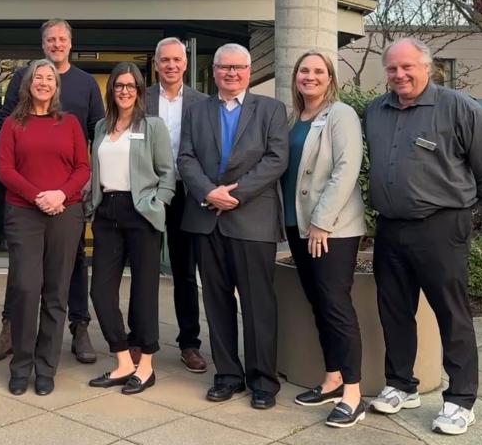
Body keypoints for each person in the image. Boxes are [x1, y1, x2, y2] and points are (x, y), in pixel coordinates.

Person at [365, 38, 482, 435]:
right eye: (392, 69)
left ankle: (461, 400)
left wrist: (462, 210)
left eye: (407, 67)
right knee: (394, 309)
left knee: (451, 313)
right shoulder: (376, 110)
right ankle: (400, 385)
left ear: (428, 67)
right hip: (390, 226)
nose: (400, 75)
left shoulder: (458, 107)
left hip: (442, 226)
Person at [0, 19, 104, 364]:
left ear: (70, 42)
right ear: (43, 45)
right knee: (23, 272)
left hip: (68, 194)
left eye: (62, 39)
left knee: (73, 264)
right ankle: (10, 328)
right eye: (50, 39)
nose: (56, 44)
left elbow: (98, 130)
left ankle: (79, 328)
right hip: (26, 195)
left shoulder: (84, 84)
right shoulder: (23, 77)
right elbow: (6, 117)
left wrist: (80, 185)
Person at [178, 43, 288, 410]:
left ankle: (263, 381)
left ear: (249, 70)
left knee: (259, 304)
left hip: (252, 218)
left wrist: (235, 195)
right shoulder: (196, 111)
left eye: (239, 67)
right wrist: (209, 192)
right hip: (207, 219)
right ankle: (227, 375)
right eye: (225, 67)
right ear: (214, 72)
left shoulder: (271, 109)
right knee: (216, 301)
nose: (231, 73)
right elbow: (186, 157)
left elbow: (276, 159)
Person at [281, 50, 367, 428]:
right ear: (296, 77)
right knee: (319, 303)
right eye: (304, 70)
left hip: (331, 230)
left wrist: (322, 222)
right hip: (296, 226)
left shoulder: (340, 115)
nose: (310, 76)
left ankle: (353, 393)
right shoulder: (293, 117)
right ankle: (332, 378)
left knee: (335, 304)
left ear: (330, 78)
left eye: (318, 71)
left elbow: (347, 169)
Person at [0, 59, 91, 397]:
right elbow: (5, 170)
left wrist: (61, 194)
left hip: (65, 213)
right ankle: (21, 365)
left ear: (56, 86)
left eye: (50, 78)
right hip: (24, 212)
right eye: (39, 77)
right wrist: (37, 195)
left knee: (56, 292)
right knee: (25, 287)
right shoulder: (12, 124)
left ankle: (46, 367)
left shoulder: (70, 123)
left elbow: (83, 168)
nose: (44, 82)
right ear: (28, 83)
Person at [86, 63, 175, 395]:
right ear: (111, 91)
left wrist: (160, 203)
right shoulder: (100, 126)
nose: (124, 91)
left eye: (131, 86)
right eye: (118, 86)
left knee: (143, 293)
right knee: (100, 292)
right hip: (107, 213)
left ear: (139, 91)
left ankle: (146, 366)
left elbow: (167, 172)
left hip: (141, 213)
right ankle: (123, 361)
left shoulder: (152, 126)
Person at [145, 37, 209, 374]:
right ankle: (143, 341)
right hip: (149, 193)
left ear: (186, 64)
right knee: (144, 270)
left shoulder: (202, 102)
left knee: (185, 272)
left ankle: (189, 344)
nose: (171, 65)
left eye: (177, 60)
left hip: (187, 193)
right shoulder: (141, 100)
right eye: (164, 60)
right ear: (156, 64)